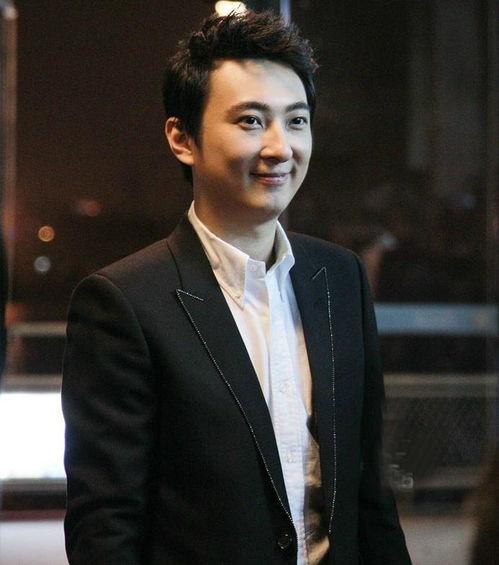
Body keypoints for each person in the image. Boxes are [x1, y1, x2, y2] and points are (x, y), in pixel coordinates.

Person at [62, 10, 411, 565]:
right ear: (182, 138)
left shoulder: (339, 279)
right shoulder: (124, 302)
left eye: (296, 121)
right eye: (251, 121)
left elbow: (369, 493)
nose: (280, 147)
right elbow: (106, 526)